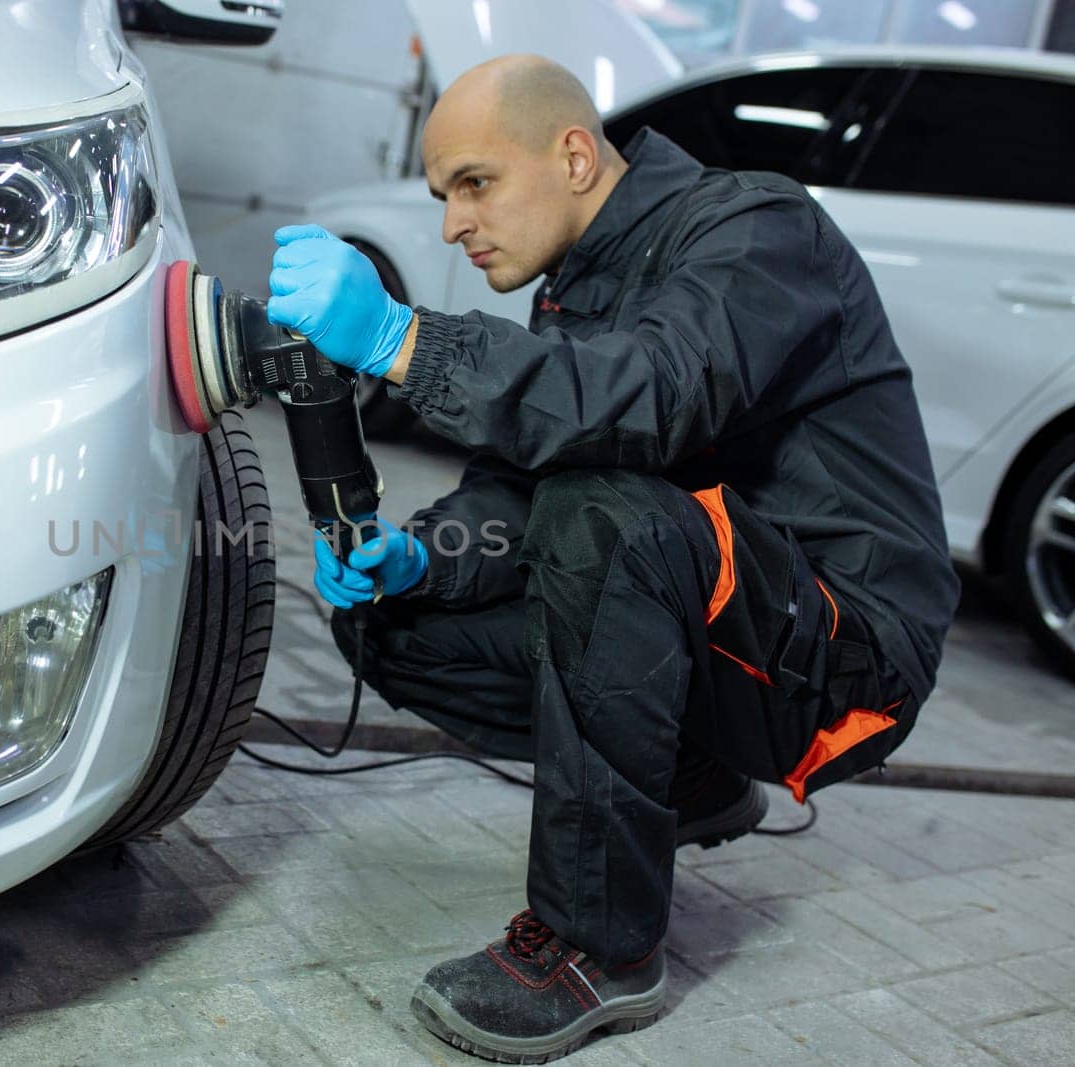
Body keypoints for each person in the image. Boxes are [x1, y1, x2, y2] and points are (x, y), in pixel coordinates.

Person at [264, 54, 958, 1063]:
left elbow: (650, 395)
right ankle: (686, 780)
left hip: (848, 651)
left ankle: (601, 946)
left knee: (604, 511)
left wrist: (402, 339)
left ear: (575, 156)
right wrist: (421, 556)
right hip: (723, 621)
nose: (456, 224)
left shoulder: (755, 229)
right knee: (394, 619)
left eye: (475, 182)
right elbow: (515, 489)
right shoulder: (574, 292)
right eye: (443, 195)